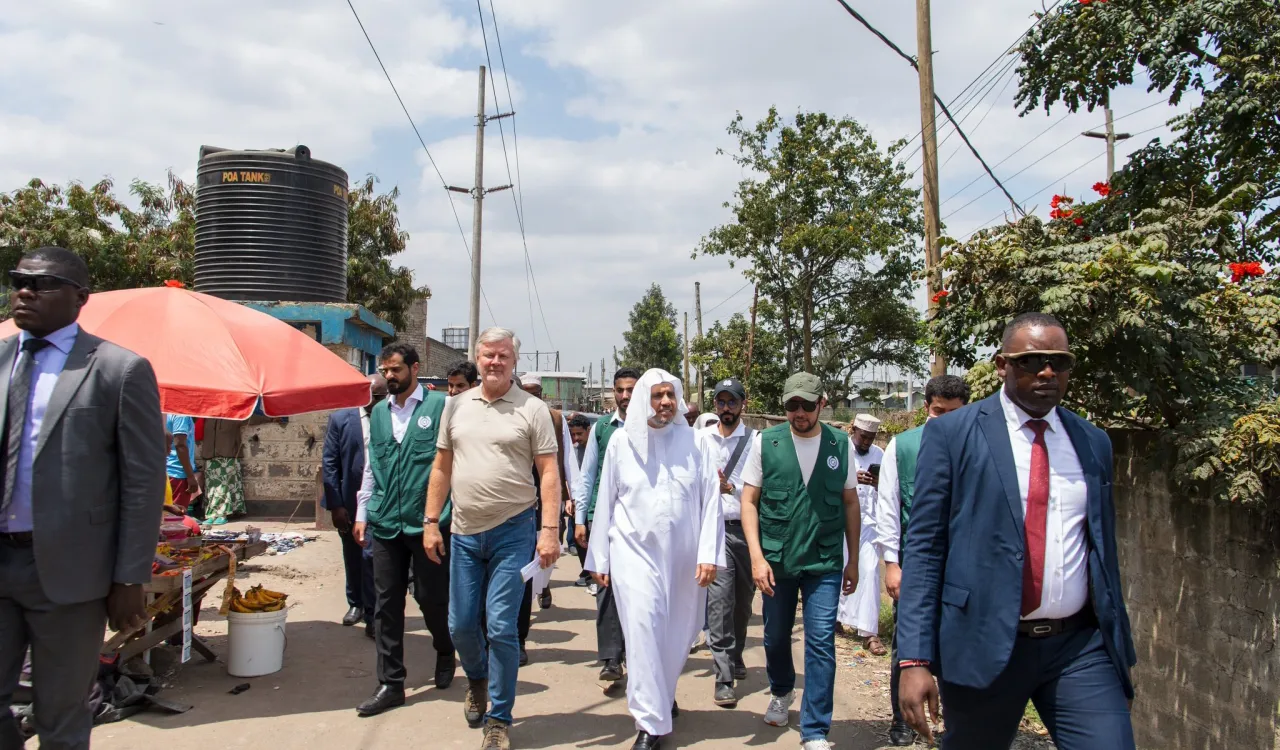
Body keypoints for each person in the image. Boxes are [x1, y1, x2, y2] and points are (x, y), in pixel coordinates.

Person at [897, 312, 1137, 749]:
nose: (1047, 372)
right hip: (982, 643)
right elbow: (926, 549)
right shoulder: (954, 434)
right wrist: (914, 658)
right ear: (1002, 365)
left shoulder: (1092, 441)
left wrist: (1119, 650)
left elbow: (1103, 549)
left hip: (1078, 647)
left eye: (1059, 362)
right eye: (1031, 361)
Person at [0, 247, 165, 749]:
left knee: (61, 713)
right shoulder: (2, 359)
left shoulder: (118, 369)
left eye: (41, 284)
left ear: (80, 297)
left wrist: (130, 576)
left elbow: (142, 481)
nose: (24, 291)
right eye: (18, 280)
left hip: (69, 573)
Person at [424, 327, 562, 750]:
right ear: (478, 359)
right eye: (488, 355)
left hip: (513, 531)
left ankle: (499, 719)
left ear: (514, 361)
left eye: (503, 355)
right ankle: (477, 678)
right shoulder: (455, 406)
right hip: (464, 532)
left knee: (501, 626)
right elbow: (442, 465)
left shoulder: (532, 409)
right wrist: (431, 521)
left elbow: (549, 473)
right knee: (461, 625)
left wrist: (549, 531)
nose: (495, 361)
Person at [586, 369, 723, 749]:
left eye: (670, 395)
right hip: (633, 552)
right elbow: (606, 499)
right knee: (643, 629)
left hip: (684, 560)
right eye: (657, 395)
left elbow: (712, 500)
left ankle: (661, 695)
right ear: (643, 400)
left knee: (677, 634)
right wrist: (599, 558)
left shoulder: (697, 442)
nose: (665, 402)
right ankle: (650, 724)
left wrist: (709, 554)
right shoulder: (621, 442)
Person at [741, 372, 861, 750]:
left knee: (821, 642)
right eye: (792, 405)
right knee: (775, 636)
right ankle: (781, 690)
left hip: (824, 561)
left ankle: (815, 729)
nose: (799, 413)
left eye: (807, 405)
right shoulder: (767, 443)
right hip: (777, 561)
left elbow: (850, 502)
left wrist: (854, 560)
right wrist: (757, 558)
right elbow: (749, 501)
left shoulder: (840, 444)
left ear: (821, 404)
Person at [350, 345, 456, 717]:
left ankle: (445, 648)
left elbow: (453, 464)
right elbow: (372, 465)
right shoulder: (379, 412)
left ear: (415, 368)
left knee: (431, 598)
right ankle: (391, 683)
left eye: (395, 369)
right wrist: (362, 512)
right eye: (385, 370)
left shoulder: (441, 407)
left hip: (427, 524)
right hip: (385, 523)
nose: (389, 376)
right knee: (386, 606)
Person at [873, 374, 970, 746]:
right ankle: (902, 720)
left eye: (954, 413)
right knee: (909, 644)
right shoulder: (904, 446)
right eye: (938, 411)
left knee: (960, 646)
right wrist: (892, 564)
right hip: (916, 566)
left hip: (964, 568)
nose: (945, 420)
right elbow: (888, 508)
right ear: (926, 407)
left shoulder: (978, 445)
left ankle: (957, 723)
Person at [572, 367, 640, 682]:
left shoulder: (653, 426)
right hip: (604, 519)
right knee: (605, 584)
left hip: (639, 522)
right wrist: (580, 519)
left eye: (631, 390)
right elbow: (587, 475)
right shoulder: (602, 428)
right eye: (620, 390)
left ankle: (639, 656)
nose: (625, 396)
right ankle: (612, 658)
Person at [695, 377, 755, 708]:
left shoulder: (756, 442)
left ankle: (736, 653)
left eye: (732, 402)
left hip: (745, 530)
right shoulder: (701, 439)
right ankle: (724, 676)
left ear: (743, 404)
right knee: (719, 603)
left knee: (742, 604)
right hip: (713, 530)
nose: (726, 408)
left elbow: (762, 490)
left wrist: (732, 489)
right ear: (715, 404)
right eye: (721, 402)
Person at [321, 373, 388, 635]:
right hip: (349, 498)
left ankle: (375, 612)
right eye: (374, 397)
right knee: (352, 553)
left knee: (372, 556)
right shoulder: (341, 419)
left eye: (382, 397)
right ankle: (356, 603)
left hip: (381, 500)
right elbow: (330, 462)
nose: (377, 402)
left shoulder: (390, 417)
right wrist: (336, 505)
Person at [516, 373, 576, 663]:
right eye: (526, 391)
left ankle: (543, 585)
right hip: (517, 501)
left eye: (535, 392)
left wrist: (571, 496)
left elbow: (566, 459)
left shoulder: (554, 418)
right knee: (527, 557)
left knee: (550, 546)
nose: (532, 396)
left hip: (548, 497)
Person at [836, 414, 886, 655]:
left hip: (869, 524)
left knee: (870, 570)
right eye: (863, 436)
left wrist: (877, 482)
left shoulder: (879, 454)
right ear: (853, 430)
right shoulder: (839, 449)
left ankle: (869, 632)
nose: (866, 442)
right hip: (840, 520)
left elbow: (889, 487)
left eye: (871, 438)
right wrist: (850, 479)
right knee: (837, 570)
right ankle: (835, 618)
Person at [199, 419, 246, 525]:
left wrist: (271, 418)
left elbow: (249, 416)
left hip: (228, 456)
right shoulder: (208, 415)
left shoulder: (234, 414)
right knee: (211, 487)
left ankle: (221, 514)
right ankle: (212, 514)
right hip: (210, 456)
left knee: (224, 486)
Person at [567, 413, 593, 586]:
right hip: (577, 502)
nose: (576, 438)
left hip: (594, 502)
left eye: (579, 434)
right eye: (573, 434)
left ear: (588, 430)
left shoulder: (596, 449)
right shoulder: (573, 451)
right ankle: (586, 571)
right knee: (580, 538)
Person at [164, 412, 201, 512]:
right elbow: (180, 444)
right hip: (178, 472)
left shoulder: (165, 412)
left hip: (167, 470)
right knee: (176, 516)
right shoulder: (181, 415)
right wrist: (190, 476)